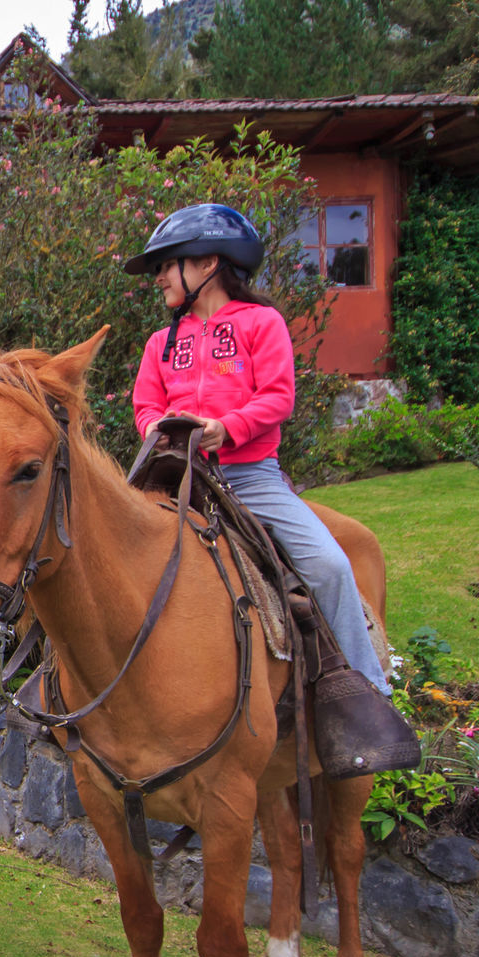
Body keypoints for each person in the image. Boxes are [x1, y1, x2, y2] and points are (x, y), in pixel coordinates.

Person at [124, 203, 391, 695]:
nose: (158, 277)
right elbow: (145, 404)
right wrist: (154, 428)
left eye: (167, 264)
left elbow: (277, 397)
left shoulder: (260, 323)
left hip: (248, 477)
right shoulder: (160, 342)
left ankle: (367, 693)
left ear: (208, 264)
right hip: (173, 478)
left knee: (330, 567)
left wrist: (227, 428)